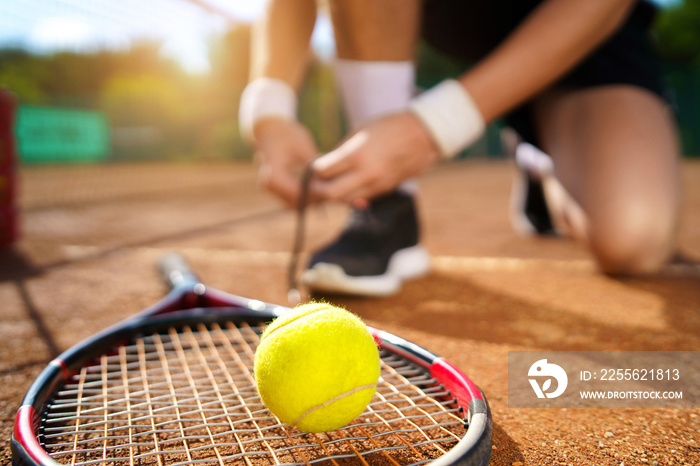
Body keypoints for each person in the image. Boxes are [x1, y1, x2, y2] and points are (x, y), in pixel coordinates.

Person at [239, 0, 681, 297]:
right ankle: (388, 207)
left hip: (578, 25)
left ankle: (540, 161)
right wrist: (269, 109)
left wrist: (434, 127)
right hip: (451, 15)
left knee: (634, 239)